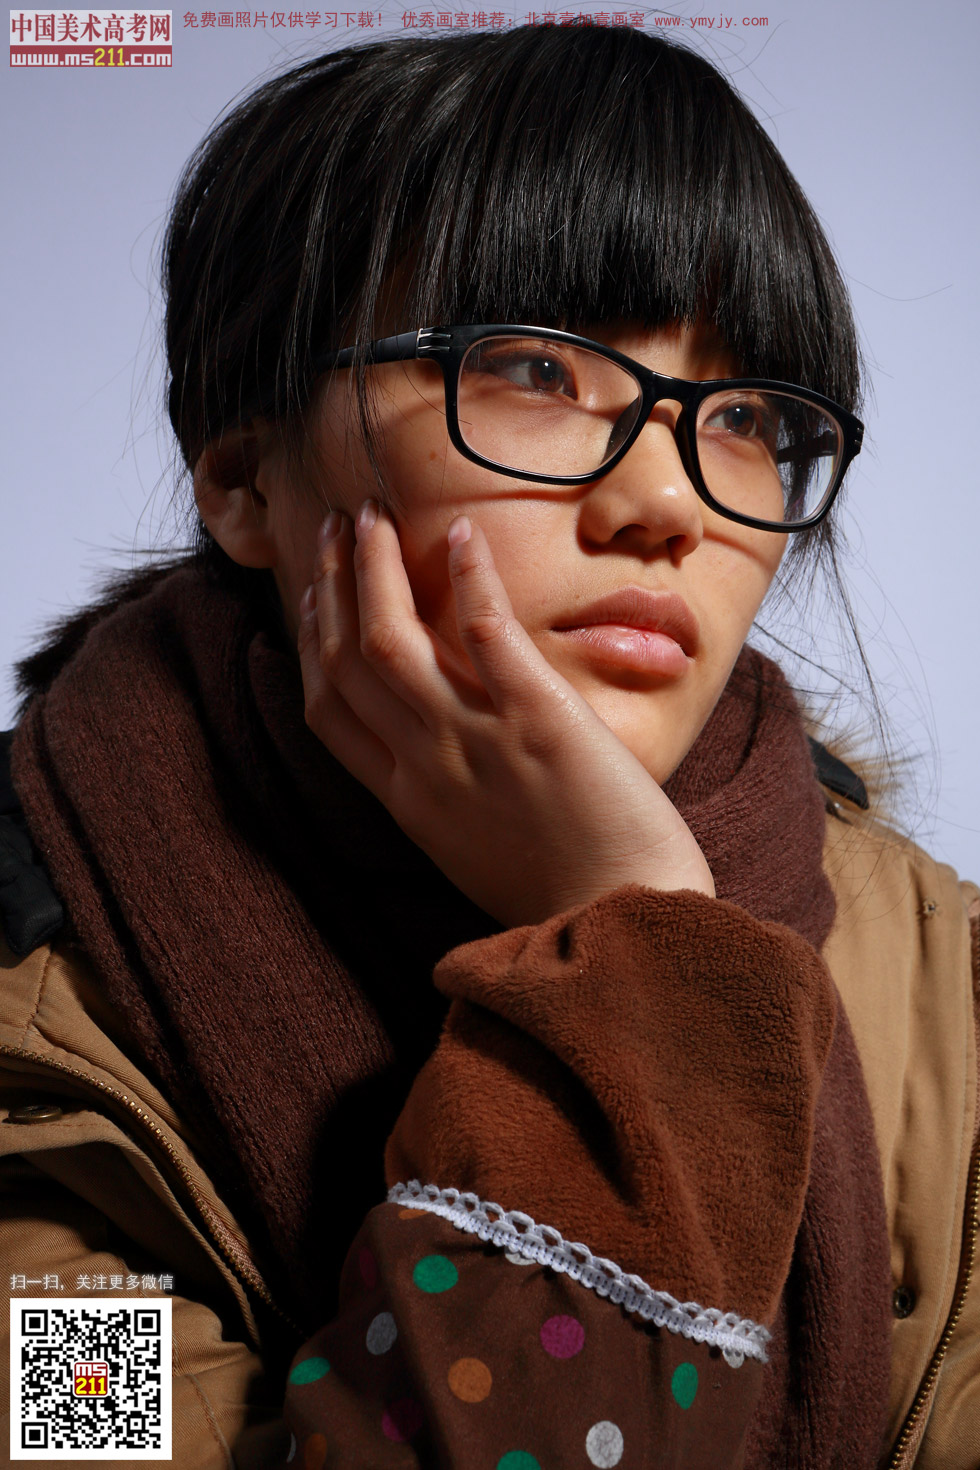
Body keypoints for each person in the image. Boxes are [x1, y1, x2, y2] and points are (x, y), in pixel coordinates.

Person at [0, 23, 976, 1470]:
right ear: (247, 478)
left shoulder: (942, 977)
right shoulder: (44, 1060)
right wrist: (635, 960)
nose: (670, 501)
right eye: (535, 367)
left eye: (747, 416)